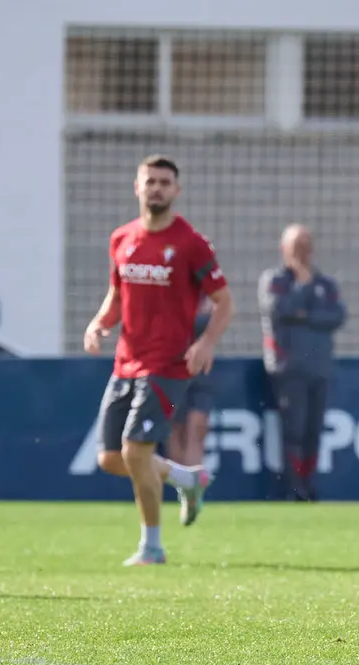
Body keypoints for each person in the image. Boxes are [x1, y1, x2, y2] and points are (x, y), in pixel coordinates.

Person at [84, 155, 234, 566]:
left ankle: (151, 546)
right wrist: (99, 324)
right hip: (125, 363)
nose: (157, 189)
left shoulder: (190, 243)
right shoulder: (122, 239)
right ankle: (188, 478)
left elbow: (224, 303)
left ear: (177, 191)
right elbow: (117, 296)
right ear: (137, 187)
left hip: (168, 366)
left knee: (135, 453)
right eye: (150, 181)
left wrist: (205, 344)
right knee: (110, 459)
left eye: (165, 182)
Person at [258, 224, 346, 501]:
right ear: (283, 249)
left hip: (319, 368)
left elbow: (335, 317)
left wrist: (302, 314)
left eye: (305, 246)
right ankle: (293, 488)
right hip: (288, 369)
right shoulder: (274, 280)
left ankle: (309, 486)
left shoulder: (326, 283)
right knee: (293, 430)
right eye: (296, 246)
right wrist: (302, 287)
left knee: (313, 432)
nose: (301, 252)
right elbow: (279, 310)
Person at [167, 294, 214, 478]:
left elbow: (220, 315)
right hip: (171, 369)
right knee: (175, 429)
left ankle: (192, 488)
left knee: (198, 426)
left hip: (201, 371)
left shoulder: (208, 290)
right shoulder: (167, 287)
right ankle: (181, 483)